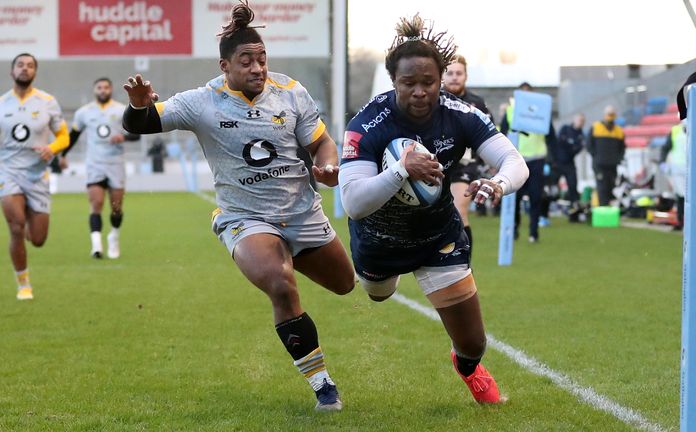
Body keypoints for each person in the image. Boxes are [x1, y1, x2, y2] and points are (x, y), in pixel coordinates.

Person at [121, 1, 354, 412]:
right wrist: (139, 104)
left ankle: (285, 252)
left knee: (345, 284)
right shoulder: (202, 101)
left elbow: (321, 141)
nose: (257, 68)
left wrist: (326, 163)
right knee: (281, 285)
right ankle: (323, 386)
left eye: (262, 59)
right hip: (245, 218)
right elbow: (139, 125)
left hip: (301, 213)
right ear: (225, 66)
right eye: (246, 61)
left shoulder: (291, 91)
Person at [339, 14, 528, 404]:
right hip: (379, 239)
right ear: (394, 82)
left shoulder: (461, 114)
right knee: (378, 294)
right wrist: (400, 170)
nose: (420, 92)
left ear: (442, 79)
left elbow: (515, 163)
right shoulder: (367, 124)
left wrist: (497, 183)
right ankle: (380, 278)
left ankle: (468, 368)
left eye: (429, 82)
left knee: (474, 342)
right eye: (409, 83)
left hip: (437, 235)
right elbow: (353, 204)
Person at [0, 53, 70, 300]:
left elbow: (64, 136)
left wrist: (52, 148)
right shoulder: (2, 103)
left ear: (35, 73)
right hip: (8, 173)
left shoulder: (47, 102)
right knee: (15, 227)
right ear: (12, 71)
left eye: (30, 66)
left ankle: (31, 219)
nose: (24, 69)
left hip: (37, 176)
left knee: (38, 239)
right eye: (20, 65)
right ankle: (23, 284)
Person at [60, 78, 140, 259]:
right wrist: (63, 155)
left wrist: (124, 138)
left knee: (116, 207)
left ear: (111, 90)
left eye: (106, 87)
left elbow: (136, 135)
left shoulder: (121, 110)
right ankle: (96, 246)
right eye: (99, 88)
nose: (103, 90)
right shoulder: (84, 112)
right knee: (96, 204)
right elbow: (73, 136)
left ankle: (114, 235)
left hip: (115, 163)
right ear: (94, 90)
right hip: (94, 164)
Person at [442, 54, 495, 259]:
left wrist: (492, 164)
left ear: (465, 76)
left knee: (458, 210)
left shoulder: (476, 103)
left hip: (464, 165)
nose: (454, 77)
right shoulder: (433, 99)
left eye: (459, 73)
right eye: (450, 73)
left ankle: (464, 264)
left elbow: (490, 135)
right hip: (436, 165)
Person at [499, 82, 556, 243]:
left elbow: (551, 136)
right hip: (516, 159)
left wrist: (554, 160)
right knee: (514, 197)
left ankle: (533, 231)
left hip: (537, 158)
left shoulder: (541, 111)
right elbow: (500, 135)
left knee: (536, 196)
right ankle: (515, 227)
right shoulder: (511, 112)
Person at [548, 113, 585, 221]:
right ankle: (546, 212)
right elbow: (559, 143)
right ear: (574, 120)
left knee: (573, 188)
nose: (581, 123)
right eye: (579, 120)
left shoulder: (581, 135)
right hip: (557, 163)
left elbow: (575, 149)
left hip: (569, 164)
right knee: (551, 188)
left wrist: (569, 145)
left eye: (582, 121)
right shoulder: (565, 129)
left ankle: (574, 214)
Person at [587, 105, 626, 206]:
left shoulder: (619, 131)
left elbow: (622, 148)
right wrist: (596, 156)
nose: (611, 116)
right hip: (599, 165)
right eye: (609, 114)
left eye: (612, 114)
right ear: (604, 114)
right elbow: (588, 144)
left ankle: (608, 208)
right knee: (602, 187)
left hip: (612, 166)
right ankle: (603, 209)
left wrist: (618, 158)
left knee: (611, 187)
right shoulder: (596, 127)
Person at [660, 120, 687, 230]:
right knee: (681, 195)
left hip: (692, 169)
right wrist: (663, 162)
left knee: (688, 196)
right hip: (678, 169)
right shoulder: (675, 131)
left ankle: (686, 221)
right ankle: (680, 220)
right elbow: (666, 148)